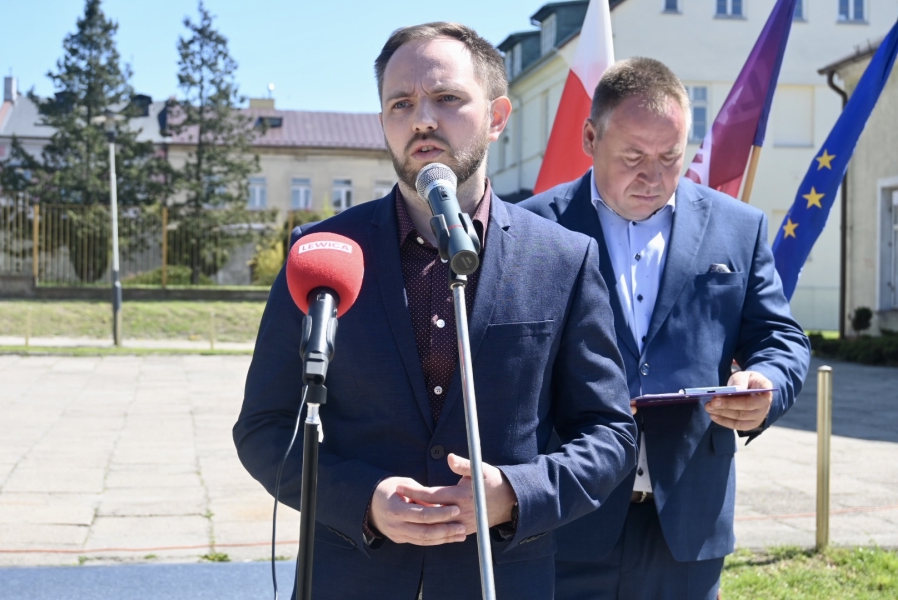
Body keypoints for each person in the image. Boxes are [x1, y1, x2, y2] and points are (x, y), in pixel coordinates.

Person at [233, 22, 637, 600]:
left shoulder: (563, 259)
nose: (422, 119)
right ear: (383, 123)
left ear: (497, 117)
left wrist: (516, 493)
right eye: (401, 104)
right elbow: (265, 428)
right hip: (349, 579)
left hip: (501, 579)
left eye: (446, 98)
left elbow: (609, 434)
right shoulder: (321, 254)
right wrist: (363, 500)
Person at [520, 57, 811, 600]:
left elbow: (781, 339)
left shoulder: (738, 227)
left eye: (671, 158)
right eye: (633, 157)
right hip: (567, 518)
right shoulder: (532, 228)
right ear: (590, 138)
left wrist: (766, 384)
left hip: (689, 526)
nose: (652, 177)